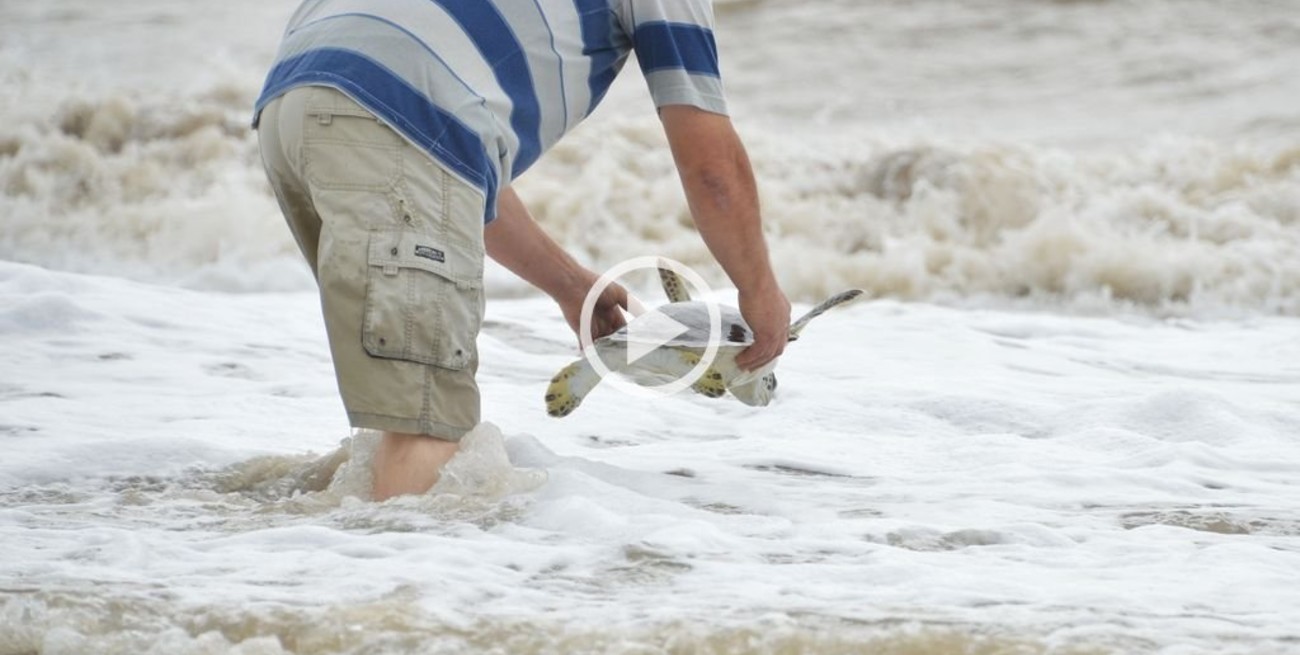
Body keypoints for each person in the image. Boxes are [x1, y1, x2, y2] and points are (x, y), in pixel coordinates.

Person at [254, 0, 790, 500]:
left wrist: (570, 284)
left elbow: (452, 170)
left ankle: (314, 555)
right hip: (396, 112)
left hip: (295, 96)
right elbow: (712, 171)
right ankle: (397, 591)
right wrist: (759, 287)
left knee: (397, 403)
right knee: (426, 424)